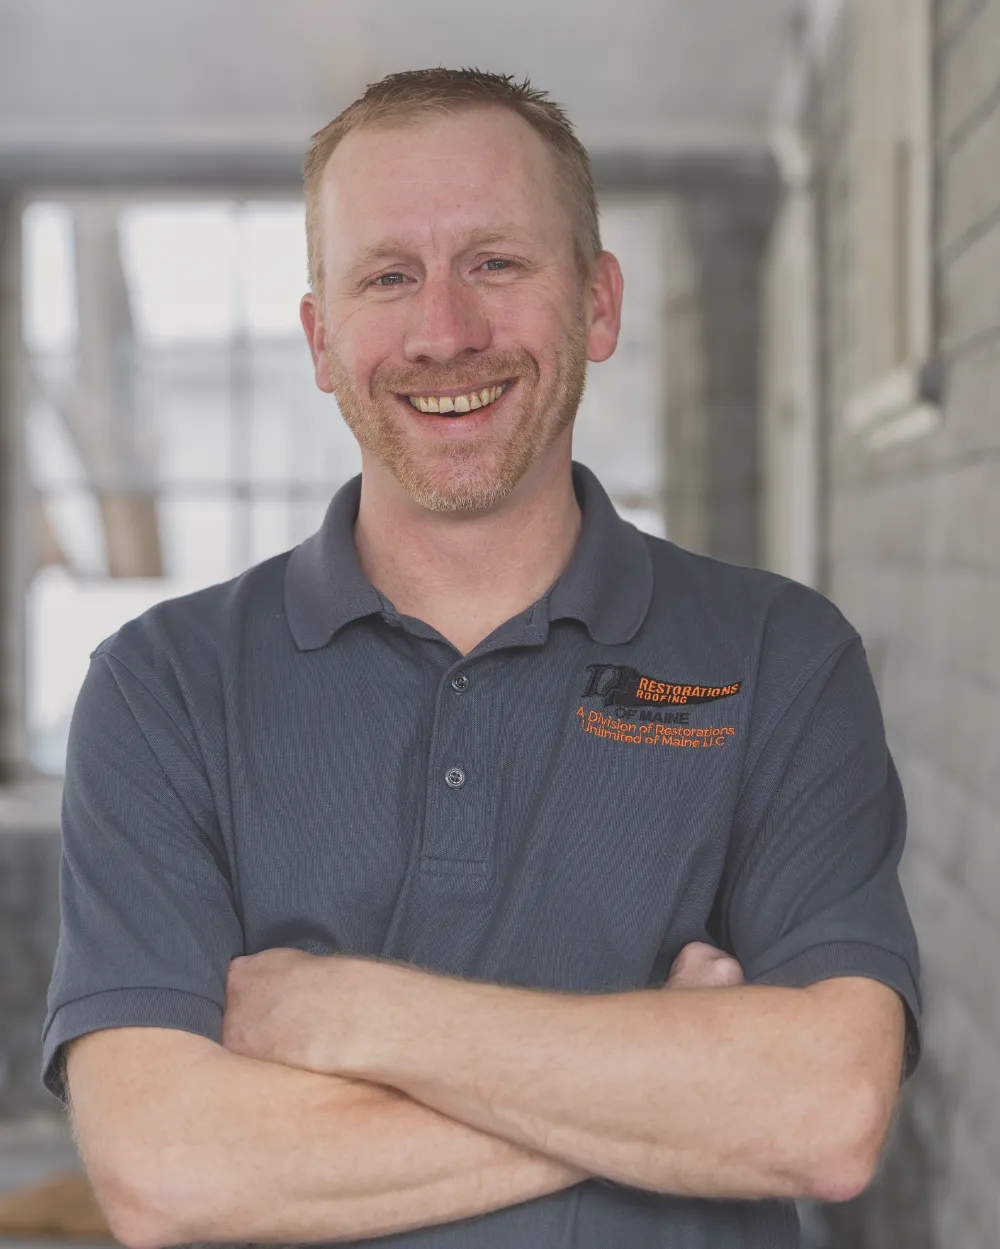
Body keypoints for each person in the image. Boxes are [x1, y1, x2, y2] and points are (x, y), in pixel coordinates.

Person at [43, 68, 921, 1249]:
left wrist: (358, 1011)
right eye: (388, 277)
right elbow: (169, 1172)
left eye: (497, 265)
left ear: (598, 306)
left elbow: (823, 1112)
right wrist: (668, 1077)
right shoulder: (162, 687)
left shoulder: (781, 657)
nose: (445, 331)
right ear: (319, 337)